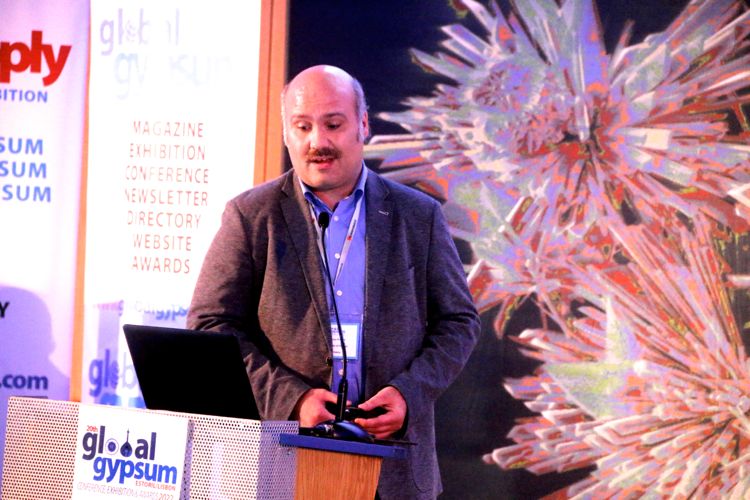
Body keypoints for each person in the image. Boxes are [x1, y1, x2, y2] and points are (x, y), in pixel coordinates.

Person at [187, 65, 480, 499]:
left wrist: (409, 394)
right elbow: (210, 325)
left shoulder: (418, 216)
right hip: (281, 466)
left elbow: (459, 322)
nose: (317, 142)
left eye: (334, 124)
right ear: (286, 133)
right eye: (302, 126)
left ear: (363, 125)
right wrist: (291, 400)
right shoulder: (250, 216)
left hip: (393, 474)